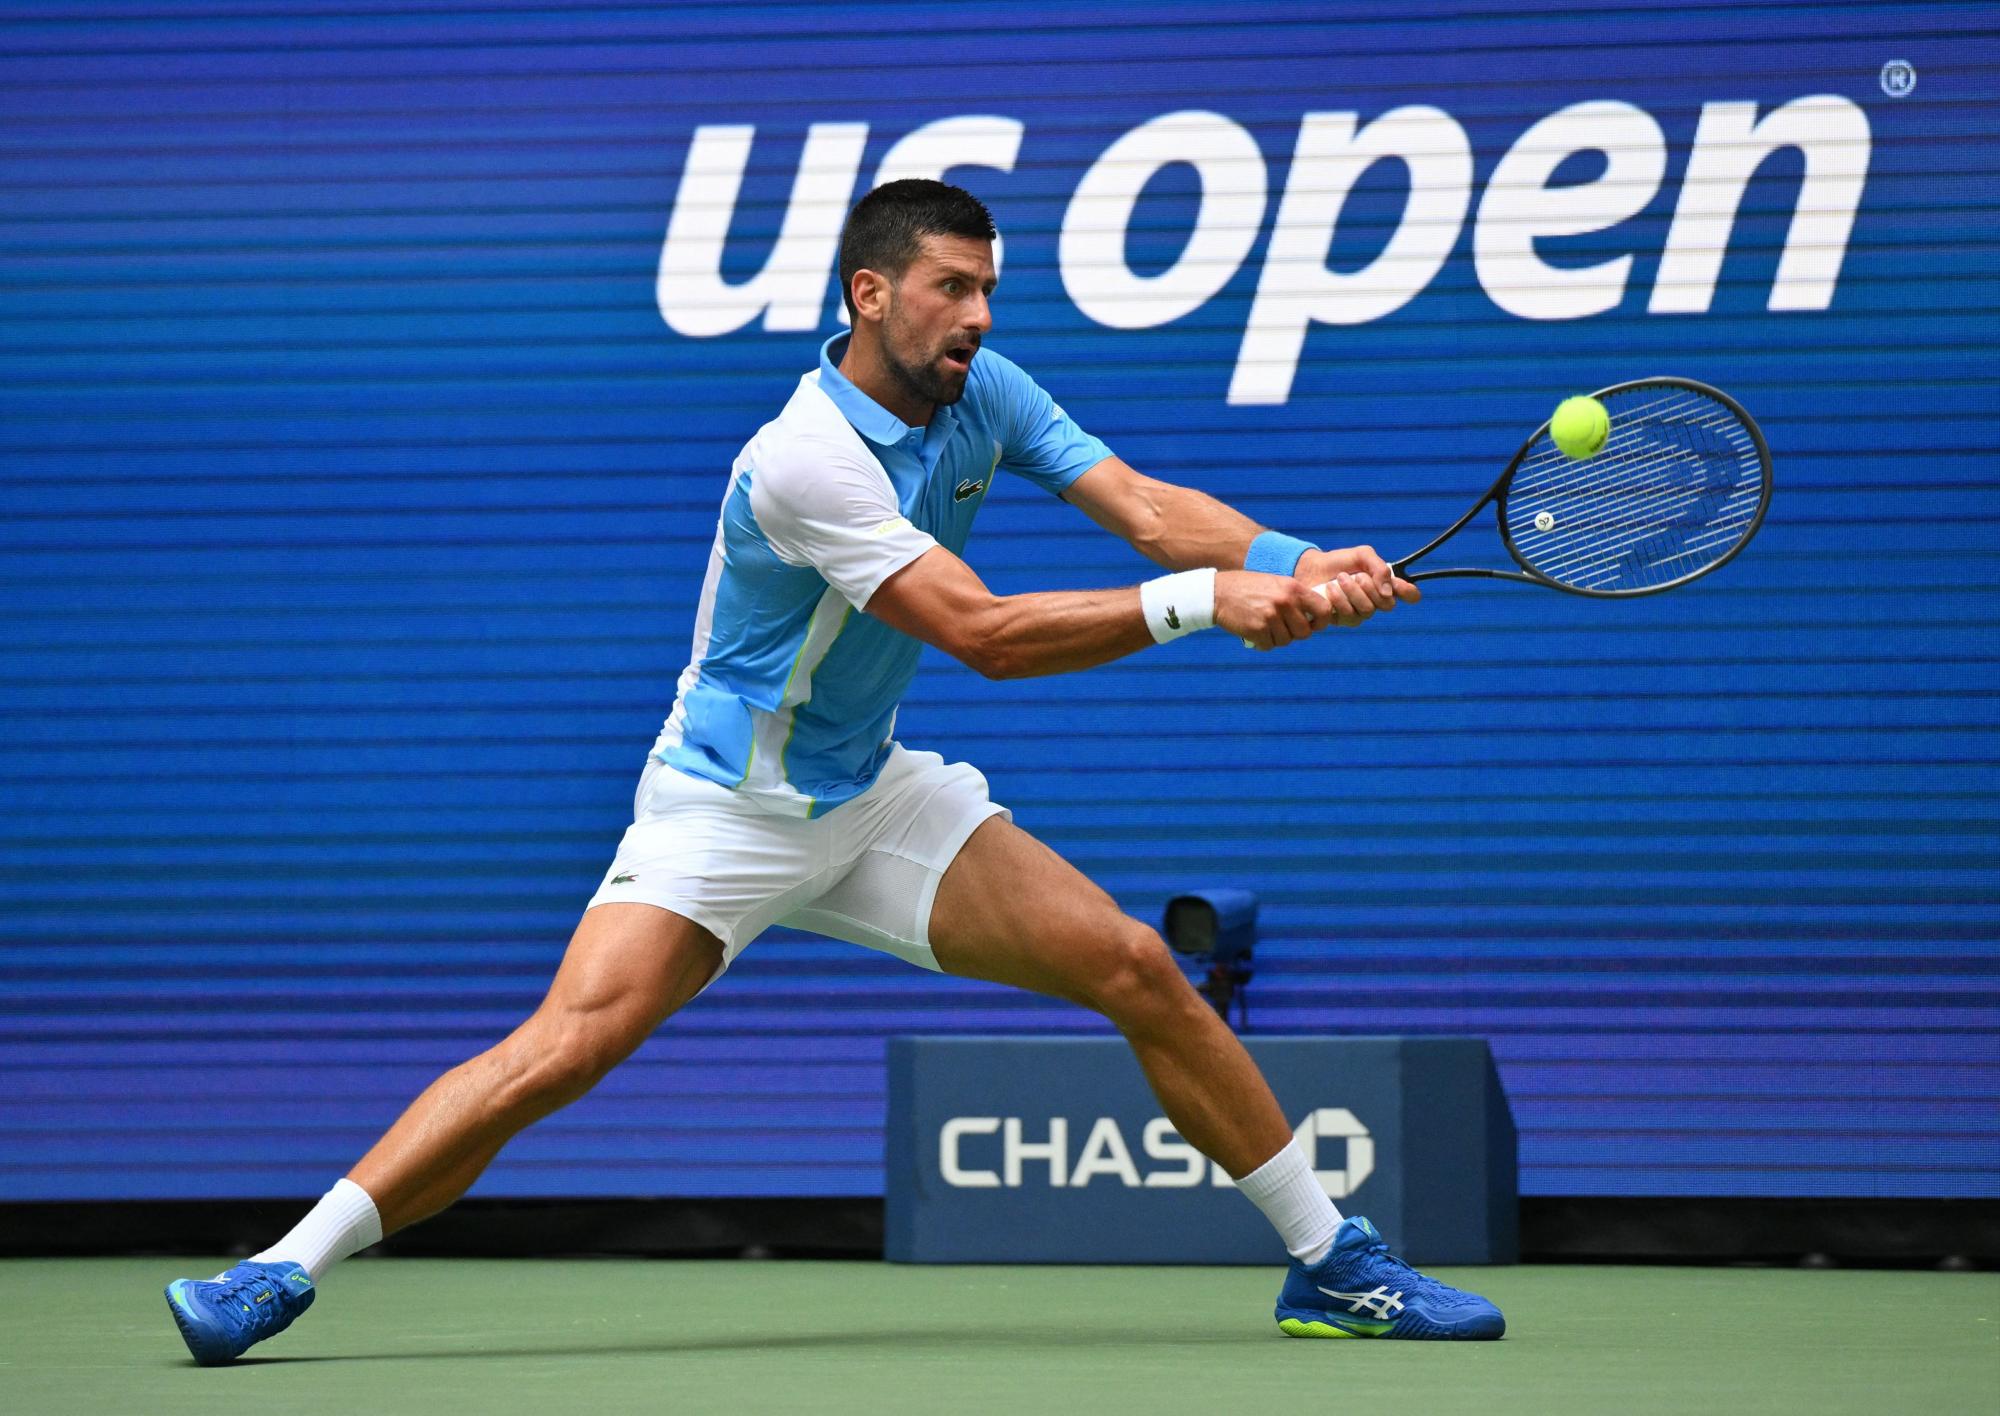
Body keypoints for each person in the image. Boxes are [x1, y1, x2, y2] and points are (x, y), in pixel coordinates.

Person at [163, 179, 1504, 1364]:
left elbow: (1149, 510)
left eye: (988, 287)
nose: (976, 313)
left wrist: (1292, 558)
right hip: (723, 812)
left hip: (872, 798)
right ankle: (280, 1270)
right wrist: (1207, 604)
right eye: (950, 286)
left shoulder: (988, 392)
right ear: (871, 293)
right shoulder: (803, 461)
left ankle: (1335, 1268)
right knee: (562, 1052)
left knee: (1136, 968)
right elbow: (981, 634)